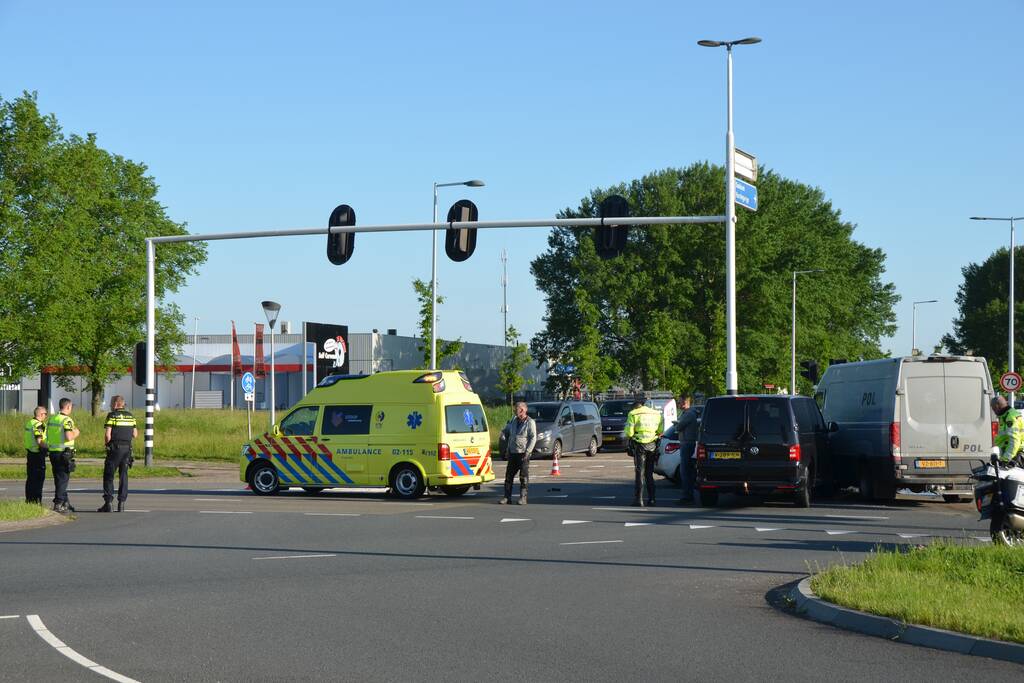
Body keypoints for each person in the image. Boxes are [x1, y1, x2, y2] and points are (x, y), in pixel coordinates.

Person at [99, 395, 138, 512]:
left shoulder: (112, 416)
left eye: (111, 403)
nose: (110, 406)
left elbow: (107, 434)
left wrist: (107, 445)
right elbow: (135, 434)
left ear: (116, 404)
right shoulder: (131, 416)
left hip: (115, 448)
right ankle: (121, 502)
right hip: (127, 449)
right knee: (123, 475)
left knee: (109, 475)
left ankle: (108, 502)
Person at [624, 395, 664, 506]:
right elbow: (660, 431)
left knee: (639, 472)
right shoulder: (657, 414)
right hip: (652, 445)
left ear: (636, 406)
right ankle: (652, 499)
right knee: (649, 474)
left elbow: (629, 433)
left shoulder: (633, 414)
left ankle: (638, 500)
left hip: (640, 445)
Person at [46, 398, 80, 513]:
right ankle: (58, 503)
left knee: (59, 479)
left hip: (53, 452)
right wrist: (76, 432)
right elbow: (69, 436)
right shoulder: (67, 420)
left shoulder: (52, 418)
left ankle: (66, 502)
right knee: (63, 479)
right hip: (63, 454)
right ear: (68, 407)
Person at [500, 401, 536, 505]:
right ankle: (507, 497)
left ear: (522, 410)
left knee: (523, 476)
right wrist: (507, 449)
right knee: (508, 476)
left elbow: (533, 437)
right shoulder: (514, 421)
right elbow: (510, 435)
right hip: (512, 452)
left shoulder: (530, 422)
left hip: (523, 453)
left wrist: (528, 451)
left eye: (516, 409)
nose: (514, 410)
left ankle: (523, 497)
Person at [675, 396, 701, 505]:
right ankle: (688, 494)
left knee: (685, 471)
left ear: (685, 403)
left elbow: (679, 427)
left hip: (687, 443)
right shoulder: (689, 413)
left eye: (680, 402)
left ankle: (687, 496)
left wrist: (676, 424)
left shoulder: (688, 414)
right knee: (688, 471)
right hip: (688, 442)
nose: (678, 404)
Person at [23, 406, 48, 504]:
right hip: (38, 454)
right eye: (45, 414)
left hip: (30, 453)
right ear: (41, 414)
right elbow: (39, 441)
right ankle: (37, 501)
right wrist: (48, 448)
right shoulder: (39, 425)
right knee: (38, 479)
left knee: (30, 478)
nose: (46, 416)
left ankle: (29, 500)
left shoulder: (30, 423)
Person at [992, 395, 1024, 465]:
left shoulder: (1010, 417)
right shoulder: (1005, 416)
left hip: (1014, 455)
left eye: (993, 408)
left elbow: (1014, 440)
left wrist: (1006, 459)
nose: (993, 411)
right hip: (1010, 453)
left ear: (997, 406)